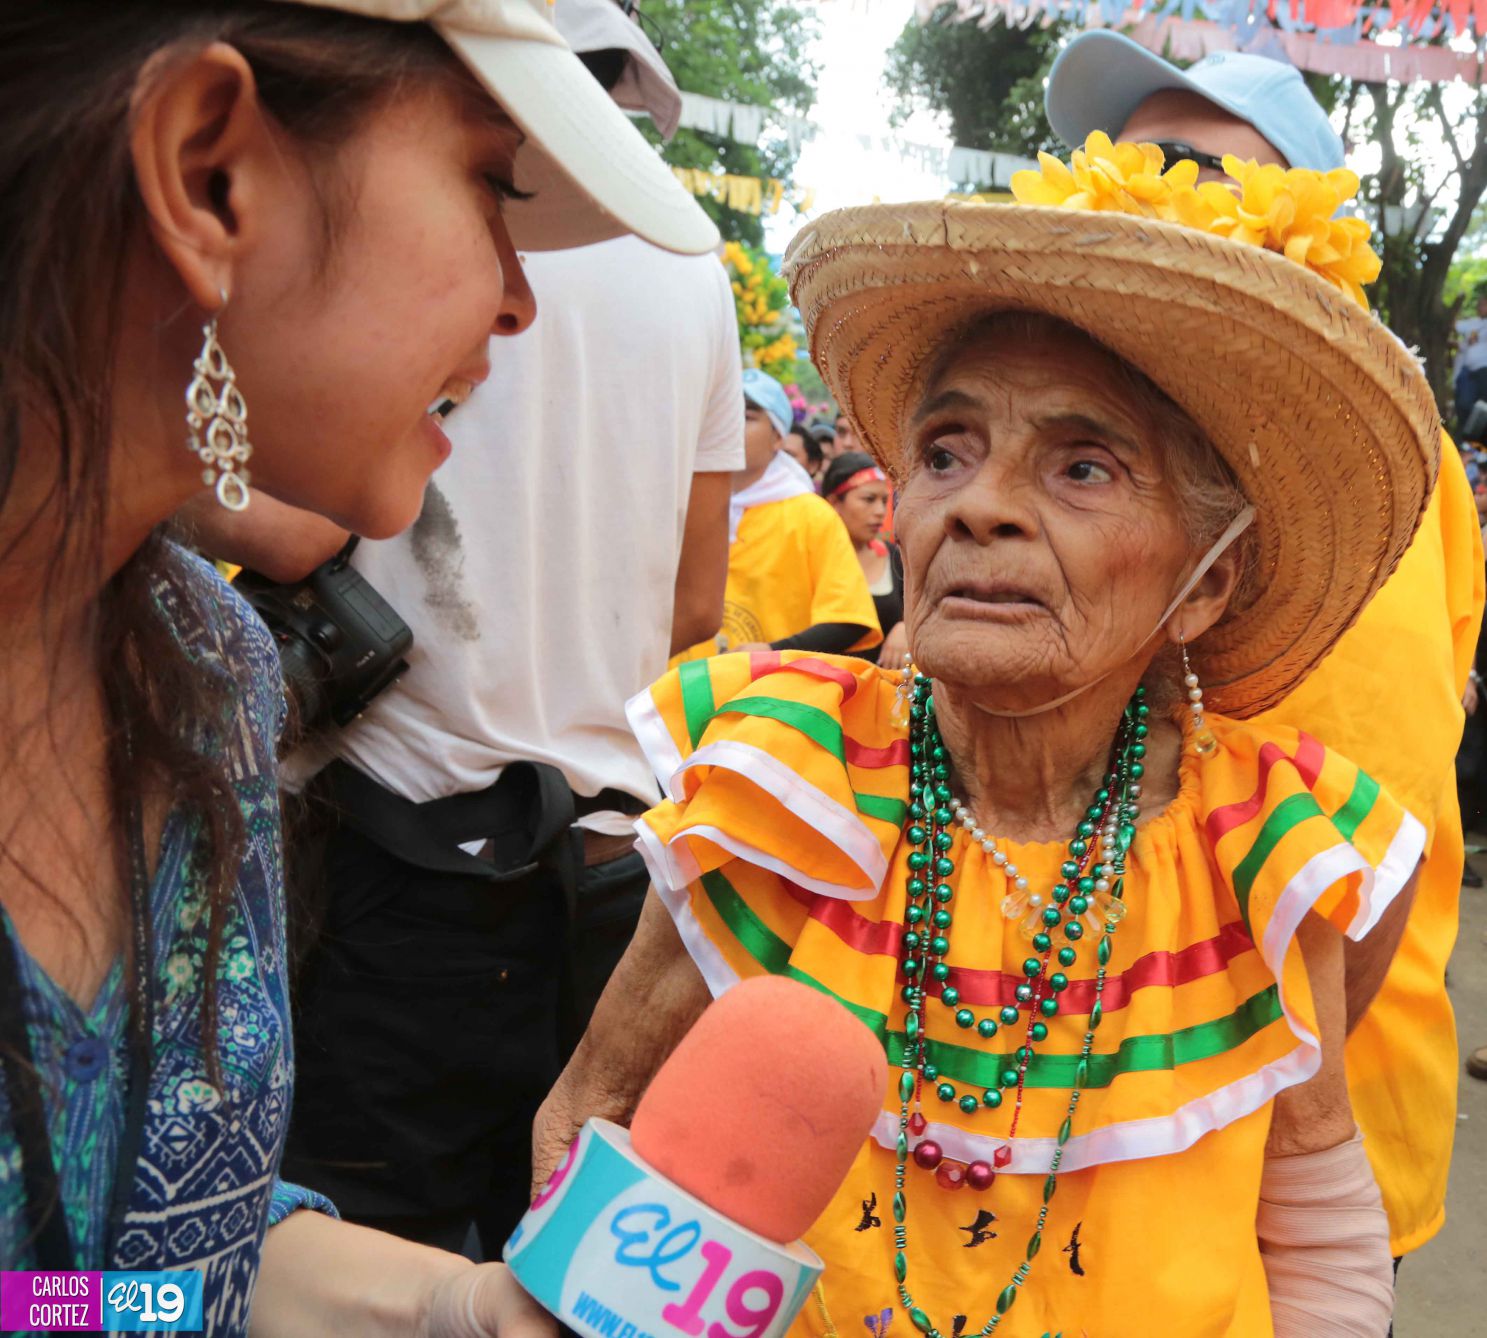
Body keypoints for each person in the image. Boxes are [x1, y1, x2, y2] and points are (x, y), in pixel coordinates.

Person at [539, 142, 1438, 1334]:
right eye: (946, 452)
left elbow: (1314, 1220)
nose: (976, 505)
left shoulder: (1266, 852)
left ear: (1207, 584)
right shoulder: (781, 787)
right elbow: (588, 1122)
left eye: (1080, 466)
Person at [0, 0, 714, 1332]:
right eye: (489, 185)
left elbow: (124, 1269)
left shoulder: (204, 671)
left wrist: (460, 1305)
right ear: (208, 170)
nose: (519, 296)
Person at [188, 0, 747, 1257]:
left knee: (368, 1233)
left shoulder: (178, 667)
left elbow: (162, 1280)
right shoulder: (692, 270)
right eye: (492, 183)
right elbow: (696, 606)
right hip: (608, 866)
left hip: (395, 847)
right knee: (542, 1259)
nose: (518, 297)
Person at [1046, 30, 1486, 1268]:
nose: (1137, 199)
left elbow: (1405, 767)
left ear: (1306, 234)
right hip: (1083, 1116)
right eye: (1117, 171)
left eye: (1186, 169)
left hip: (1298, 1135)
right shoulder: (1088, 442)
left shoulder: (1395, 464)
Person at [679, 369, 881, 658]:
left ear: (777, 437)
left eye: (746, 417)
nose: (728, 425)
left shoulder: (811, 515)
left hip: (770, 697)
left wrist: (772, 652)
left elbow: (850, 621)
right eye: (722, 413)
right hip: (683, 694)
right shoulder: (688, 505)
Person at [823, 451, 906, 666]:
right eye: (868, 500)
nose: (880, 511)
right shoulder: (813, 558)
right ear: (834, 503)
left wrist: (906, 626)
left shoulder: (895, 558)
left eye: (884, 501)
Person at [1455, 284, 1487, 433]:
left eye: (1483, 304)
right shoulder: (1473, 323)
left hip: (1484, 370)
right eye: (1479, 304)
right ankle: (1467, 437)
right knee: (1464, 404)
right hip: (1469, 371)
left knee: (1483, 405)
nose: (1480, 307)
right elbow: (1454, 325)